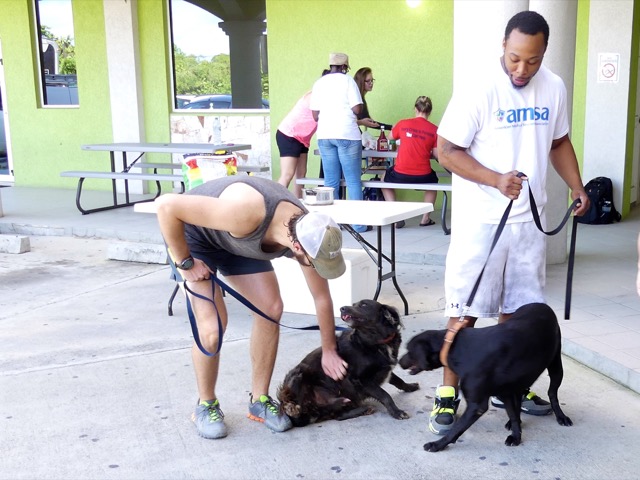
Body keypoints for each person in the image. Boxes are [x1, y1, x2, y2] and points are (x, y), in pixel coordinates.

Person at [431, 10, 590, 436]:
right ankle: (447, 394)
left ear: (544, 53)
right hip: (483, 222)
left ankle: (507, 389)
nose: (523, 69)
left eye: (533, 60)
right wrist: (495, 179)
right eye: (516, 58)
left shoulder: (553, 87)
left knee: (517, 313)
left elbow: (558, 142)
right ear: (503, 46)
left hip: (529, 224)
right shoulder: (479, 88)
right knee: (464, 312)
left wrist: (577, 186)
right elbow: (446, 150)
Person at [154, 175, 349, 439]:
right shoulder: (245, 212)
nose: (317, 267)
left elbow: (322, 297)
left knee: (270, 308)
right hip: (195, 238)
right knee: (212, 328)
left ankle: (259, 399)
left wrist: (329, 350)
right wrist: (185, 262)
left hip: (237, 243)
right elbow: (166, 206)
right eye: (316, 263)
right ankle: (206, 404)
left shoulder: (310, 231)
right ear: (296, 247)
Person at [310, 52, 371, 233]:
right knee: (353, 181)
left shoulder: (319, 83)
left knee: (330, 182)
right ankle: (358, 224)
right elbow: (357, 108)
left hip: (325, 135)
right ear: (345, 66)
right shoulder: (348, 81)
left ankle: (333, 224)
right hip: (347, 134)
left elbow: (314, 115)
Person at [381, 96, 439, 228]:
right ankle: (425, 218)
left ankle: (396, 216)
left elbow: (389, 139)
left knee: (383, 180)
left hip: (400, 174)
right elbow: (436, 154)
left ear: (415, 108)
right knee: (434, 183)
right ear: (430, 111)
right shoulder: (434, 130)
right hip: (424, 176)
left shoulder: (403, 124)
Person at [276, 71, 329, 197]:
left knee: (301, 175)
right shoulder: (315, 97)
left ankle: (298, 205)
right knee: (287, 174)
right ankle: (275, 202)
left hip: (302, 139)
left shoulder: (324, 97)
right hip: (290, 135)